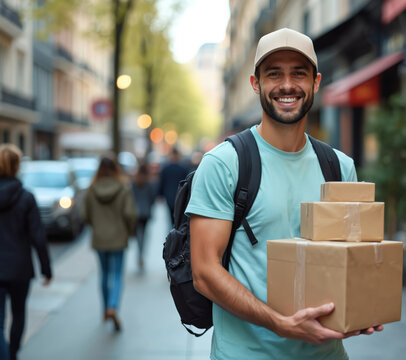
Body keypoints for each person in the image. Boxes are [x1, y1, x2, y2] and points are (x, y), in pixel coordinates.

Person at [186, 28, 383, 360]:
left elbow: (349, 259)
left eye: (299, 73)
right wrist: (280, 324)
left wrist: (360, 308)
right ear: (255, 83)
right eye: (274, 74)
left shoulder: (339, 166)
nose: (287, 85)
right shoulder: (224, 164)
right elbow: (204, 272)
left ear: (316, 82)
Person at [0, 144, 52, 360]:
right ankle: (12, 355)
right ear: (17, 166)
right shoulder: (26, 198)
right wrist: (46, 269)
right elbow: (38, 237)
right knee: (19, 315)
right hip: (20, 268)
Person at [81, 154, 137, 332]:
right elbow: (130, 214)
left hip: (99, 238)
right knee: (118, 275)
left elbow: (84, 216)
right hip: (118, 238)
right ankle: (113, 306)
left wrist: (96, 225)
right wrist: (129, 230)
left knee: (104, 274)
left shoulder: (91, 189)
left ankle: (105, 309)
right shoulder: (123, 188)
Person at [131, 163, 156, 269]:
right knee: (144, 234)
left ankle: (139, 253)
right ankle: (141, 254)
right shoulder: (149, 183)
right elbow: (152, 197)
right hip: (145, 212)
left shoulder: (133, 183)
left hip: (136, 212)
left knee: (138, 234)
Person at [157, 147, 190, 224]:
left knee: (171, 215)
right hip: (180, 195)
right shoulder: (183, 168)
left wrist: (160, 194)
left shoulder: (166, 169)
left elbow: (162, 182)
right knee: (178, 215)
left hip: (169, 196)